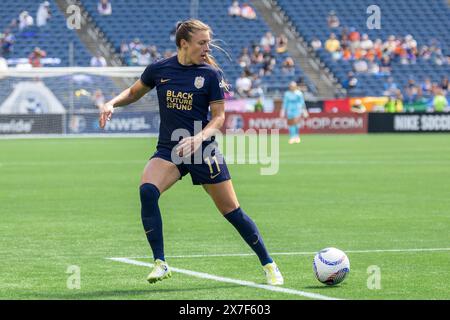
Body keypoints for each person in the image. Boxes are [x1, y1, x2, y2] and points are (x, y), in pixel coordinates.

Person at [98, 19, 283, 286]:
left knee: (232, 211)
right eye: (202, 42)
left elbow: (219, 118)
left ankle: (269, 264)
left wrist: (198, 139)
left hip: (202, 150)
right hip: (169, 150)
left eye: (208, 42)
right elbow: (135, 92)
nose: (207, 47)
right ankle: (160, 263)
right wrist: (111, 102)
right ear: (184, 43)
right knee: (147, 191)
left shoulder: (210, 75)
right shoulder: (160, 69)